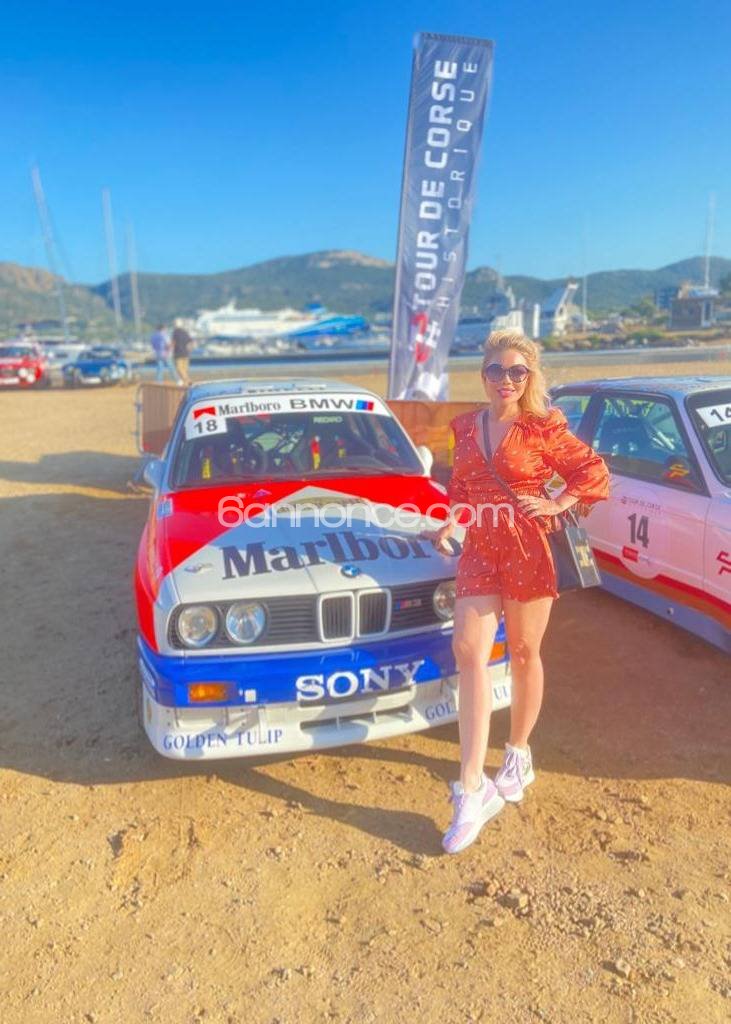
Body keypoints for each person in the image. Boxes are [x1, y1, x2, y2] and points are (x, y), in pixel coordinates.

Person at [430, 330, 610, 855]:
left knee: (526, 652)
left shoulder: (542, 426)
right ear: (483, 375)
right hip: (481, 547)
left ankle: (517, 752)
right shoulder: (466, 427)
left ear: (529, 378)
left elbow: (593, 471)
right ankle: (471, 788)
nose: (505, 380)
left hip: (528, 545)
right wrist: (451, 520)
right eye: (496, 370)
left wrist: (558, 504)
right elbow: (462, 488)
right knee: (468, 649)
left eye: (517, 372)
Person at [171, 319, 193, 386]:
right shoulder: (185, 332)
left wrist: (170, 350)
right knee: (185, 369)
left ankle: (188, 380)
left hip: (178, 353)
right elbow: (191, 342)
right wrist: (190, 350)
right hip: (186, 353)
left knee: (179, 369)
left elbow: (173, 342)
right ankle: (186, 383)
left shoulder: (175, 332)